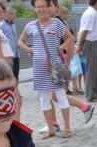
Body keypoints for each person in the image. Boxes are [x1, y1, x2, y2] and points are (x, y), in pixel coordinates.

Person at [21, 0, 74, 138]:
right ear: (34, 9)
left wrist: (62, 47)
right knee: (44, 98)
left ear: (48, 8)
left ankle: (67, 128)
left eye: (44, 6)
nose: (41, 9)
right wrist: (27, 48)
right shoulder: (30, 25)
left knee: (61, 96)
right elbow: (20, 41)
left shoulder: (56, 23)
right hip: (39, 69)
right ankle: (50, 128)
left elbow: (70, 37)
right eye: (38, 7)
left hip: (55, 66)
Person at [1, 8, 21, 80]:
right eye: (14, 15)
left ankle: (16, 90)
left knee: (16, 77)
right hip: (8, 56)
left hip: (16, 54)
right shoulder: (2, 25)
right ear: (8, 14)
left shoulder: (13, 25)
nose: (15, 17)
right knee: (9, 77)